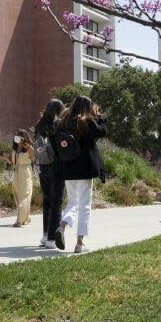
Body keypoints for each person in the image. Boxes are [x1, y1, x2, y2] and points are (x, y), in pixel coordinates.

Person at [55, 95, 107, 253]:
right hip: (85, 169)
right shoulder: (87, 121)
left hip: (69, 169)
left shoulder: (64, 121)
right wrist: (101, 117)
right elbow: (102, 132)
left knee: (72, 202)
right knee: (84, 205)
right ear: (88, 106)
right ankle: (79, 243)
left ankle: (62, 226)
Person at [34, 98, 65, 249]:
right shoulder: (58, 124)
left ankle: (45, 235)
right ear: (59, 110)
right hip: (56, 167)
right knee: (57, 202)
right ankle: (52, 239)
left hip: (42, 166)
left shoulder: (39, 124)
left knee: (47, 202)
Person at [10, 129, 35, 227]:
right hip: (16, 172)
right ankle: (26, 217)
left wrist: (28, 146)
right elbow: (13, 162)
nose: (16, 136)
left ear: (23, 137)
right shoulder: (15, 148)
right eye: (16, 134)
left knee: (24, 196)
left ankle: (19, 220)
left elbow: (33, 158)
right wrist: (6, 158)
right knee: (18, 197)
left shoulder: (28, 147)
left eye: (18, 135)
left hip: (25, 172)